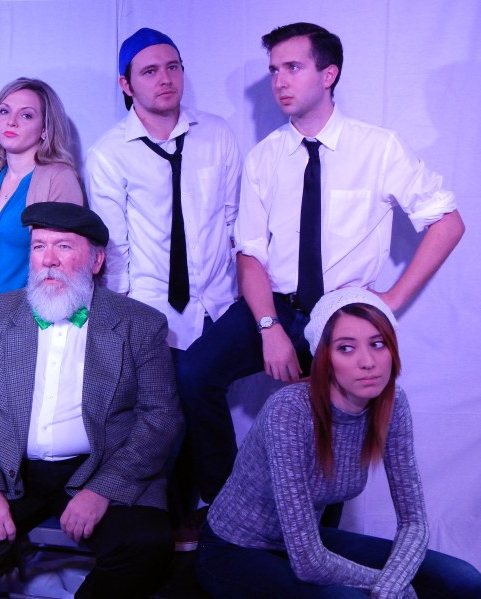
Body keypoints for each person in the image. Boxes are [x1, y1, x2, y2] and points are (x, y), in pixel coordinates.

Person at [177, 22, 465, 510]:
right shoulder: (265, 157)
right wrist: (268, 326)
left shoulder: (378, 148)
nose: (280, 82)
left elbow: (448, 222)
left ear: (328, 75)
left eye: (293, 67)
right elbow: (250, 253)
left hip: (340, 315)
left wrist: (391, 301)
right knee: (193, 373)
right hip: (275, 304)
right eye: (274, 71)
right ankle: (227, 507)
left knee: (329, 433)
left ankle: (318, 539)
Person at [0, 202, 182, 598]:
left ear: (96, 260)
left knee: (146, 543)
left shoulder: (140, 323)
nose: (48, 260)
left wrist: (103, 489)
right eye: (39, 247)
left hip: (99, 465)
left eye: (64, 247)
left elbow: (160, 417)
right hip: (8, 467)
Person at [197, 288, 481, 598]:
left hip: (308, 542)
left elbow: (414, 523)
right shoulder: (289, 410)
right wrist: (389, 587)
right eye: (346, 348)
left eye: (378, 344)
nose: (368, 362)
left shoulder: (392, 402)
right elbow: (309, 565)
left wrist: (392, 585)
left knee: (463, 579)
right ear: (324, 359)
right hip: (235, 549)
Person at [85, 27, 241, 546]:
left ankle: (222, 516)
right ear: (126, 84)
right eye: (150, 71)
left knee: (203, 403)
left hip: (217, 304)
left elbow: (234, 220)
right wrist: (124, 324)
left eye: (173, 67)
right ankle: (163, 530)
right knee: (162, 422)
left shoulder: (217, 134)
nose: (165, 79)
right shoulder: (109, 153)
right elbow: (114, 248)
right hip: (153, 309)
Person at [0, 77, 83, 321]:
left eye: (26, 115)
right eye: (4, 111)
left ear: (45, 129)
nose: (11, 121)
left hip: (24, 321)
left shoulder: (59, 178)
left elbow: (67, 263)